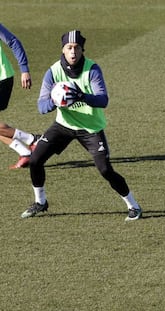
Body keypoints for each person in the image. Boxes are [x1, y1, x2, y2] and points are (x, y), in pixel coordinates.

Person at [20, 30, 142, 222]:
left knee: (105, 170)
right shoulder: (53, 72)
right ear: (63, 49)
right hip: (63, 125)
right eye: (69, 48)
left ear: (82, 49)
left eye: (77, 48)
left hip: (90, 129)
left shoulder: (92, 69)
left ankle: (133, 206)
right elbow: (41, 107)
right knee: (35, 160)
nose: (73, 52)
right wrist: (57, 100)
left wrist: (81, 96)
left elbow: (103, 100)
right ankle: (40, 202)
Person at [0, 23, 40, 169]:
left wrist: (24, 69)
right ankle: (24, 152)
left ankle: (32, 139)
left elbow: (13, 41)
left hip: (1, 78)